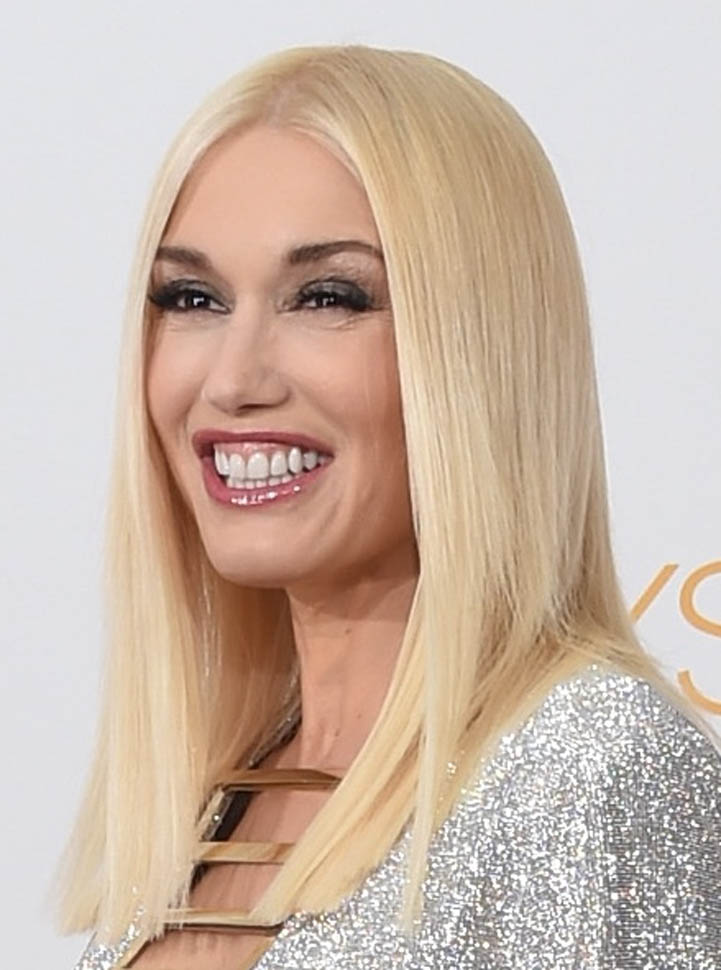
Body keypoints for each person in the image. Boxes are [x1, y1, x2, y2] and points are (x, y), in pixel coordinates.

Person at [58, 44, 721, 970]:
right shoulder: (211, 800)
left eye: (326, 296)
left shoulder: (586, 768)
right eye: (194, 298)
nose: (232, 379)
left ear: (476, 351)